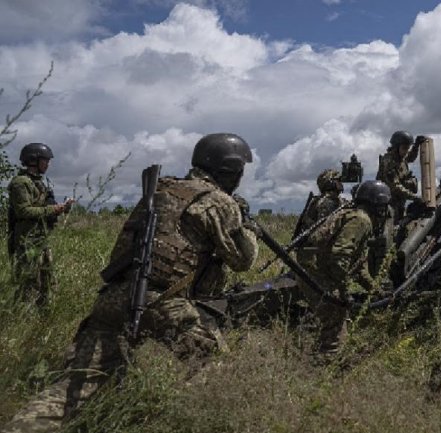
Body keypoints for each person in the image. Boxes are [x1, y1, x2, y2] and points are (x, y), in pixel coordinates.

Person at [1, 133, 258, 433]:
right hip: (163, 302)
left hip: (113, 297)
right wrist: (245, 222)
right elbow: (243, 260)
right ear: (232, 170)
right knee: (217, 367)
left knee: (75, 386)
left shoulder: (162, 189)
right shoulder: (218, 202)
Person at [296, 180, 391, 353]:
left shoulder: (354, 216)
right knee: (335, 312)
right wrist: (344, 292)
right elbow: (340, 256)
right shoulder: (362, 221)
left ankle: (326, 354)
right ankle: (328, 361)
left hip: (313, 269)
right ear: (379, 206)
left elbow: (358, 267)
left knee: (337, 318)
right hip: (315, 272)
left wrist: (376, 290)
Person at [7, 142, 74, 306]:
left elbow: (44, 209)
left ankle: (45, 317)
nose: (48, 164)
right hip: (27, 242)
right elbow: (24, 211)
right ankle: (23, 323)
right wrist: (53, 210)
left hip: (41, 240)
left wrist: (63, 208)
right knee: (28, 285)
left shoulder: (38, 183)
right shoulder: (20, 183)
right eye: (45, 160)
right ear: (33, 160)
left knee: (48, 284)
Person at [375, 131, 424, 223]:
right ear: (396, 147)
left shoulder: (400, 157)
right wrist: (415, 197)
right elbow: (395, 187)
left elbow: (410, 158)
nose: (406, 151)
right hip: (389, 203)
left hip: (399, 201)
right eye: (404, 148)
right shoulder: (389, 162)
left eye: (408, 148)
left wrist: (416, 146)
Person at [294, 169, 347, 237]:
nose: (341, 183)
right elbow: (325, 228)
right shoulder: (326, 202)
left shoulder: (338, 200)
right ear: (330, 182)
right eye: (338, 180)